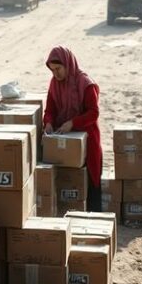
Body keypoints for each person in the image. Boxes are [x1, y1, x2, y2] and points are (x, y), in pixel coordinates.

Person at [44, 46, 102, 211]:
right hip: (65, 141)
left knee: (91, 187)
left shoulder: (85, 83)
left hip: (87, 141)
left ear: (68, 64)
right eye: (52, 70)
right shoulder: (54, 84)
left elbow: (93, 113)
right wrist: (48, 122)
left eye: (59, 69)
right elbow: (50, 110)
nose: (56, 73)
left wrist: (73, 123)